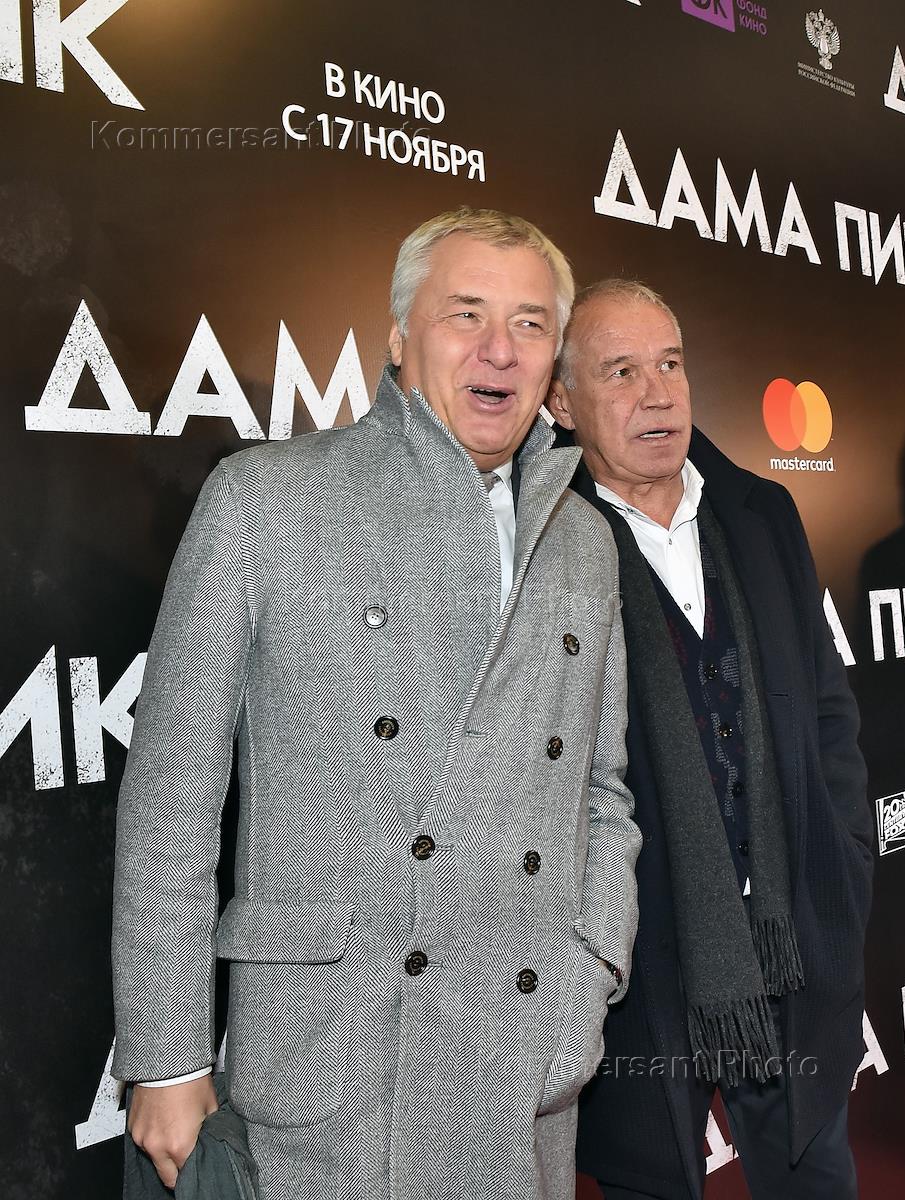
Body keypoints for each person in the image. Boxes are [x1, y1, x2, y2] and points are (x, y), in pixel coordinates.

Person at [111, 210, 641, 1200]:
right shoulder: (263, 502)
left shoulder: (585, 541)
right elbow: (171, 802)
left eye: (530, 323)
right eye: (465, 313)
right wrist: (167, 1056)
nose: (499, 348)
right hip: (332, 1060)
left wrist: (590, 969)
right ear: (399, 337)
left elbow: (602, 796)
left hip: (524, 1058)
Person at [547, 279, 872, 1200]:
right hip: (635, 962)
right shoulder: (541, 541)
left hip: (787, 937)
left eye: (669, 363)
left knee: (814, 1178)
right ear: (562, 402)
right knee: (652, 1181)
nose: (657, 393)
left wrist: (842, 860)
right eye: (620, 372)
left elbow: (826, 710)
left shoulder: (761, 512)